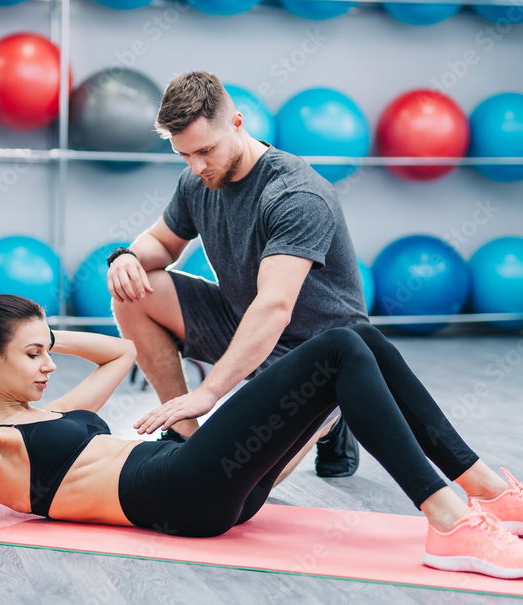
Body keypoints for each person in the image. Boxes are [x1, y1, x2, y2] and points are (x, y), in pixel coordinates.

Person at [0, 294, 523, 580]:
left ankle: (486, 488)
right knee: (335, 347)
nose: (48, 367)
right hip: (179, 492)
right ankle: (447, 515)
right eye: (32, 357)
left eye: (47, 355)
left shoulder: (46, 412)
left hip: (199, 476)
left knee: (356, 335)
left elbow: (120, 353)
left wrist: (40, 334)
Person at [107, 71, 366, 479]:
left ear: (237, 124)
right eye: (184, 155)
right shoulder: (198, 180)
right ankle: (182, 436)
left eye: (205, 151)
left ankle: (331, 414)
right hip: (243, 320)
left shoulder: (295, 194)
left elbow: (275, 308)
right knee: (135, 291)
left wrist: (209, 393)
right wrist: (124, 257)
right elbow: (161, 242)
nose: (196, 166)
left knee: (245, 476)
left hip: (315, 351)